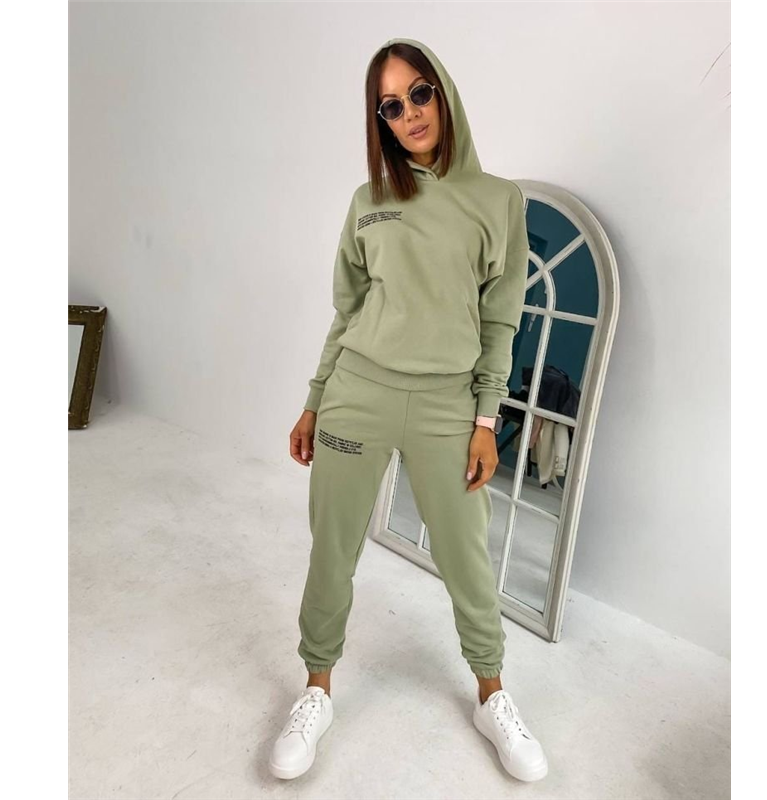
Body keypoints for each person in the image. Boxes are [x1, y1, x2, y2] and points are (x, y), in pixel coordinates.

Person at [270, 37, 548, 783]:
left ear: (443, 91)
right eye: (390, 106)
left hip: (445, 405)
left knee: (465, 556)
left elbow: (501, 322)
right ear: (381, 122)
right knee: (332, 548)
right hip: (357, 394)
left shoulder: (499, 201)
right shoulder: (369, 202)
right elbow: (347, 311)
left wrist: (486, 420)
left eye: (419, 93)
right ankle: (316, 689)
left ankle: (492, 694)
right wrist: (314, 401)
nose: (410, 113)